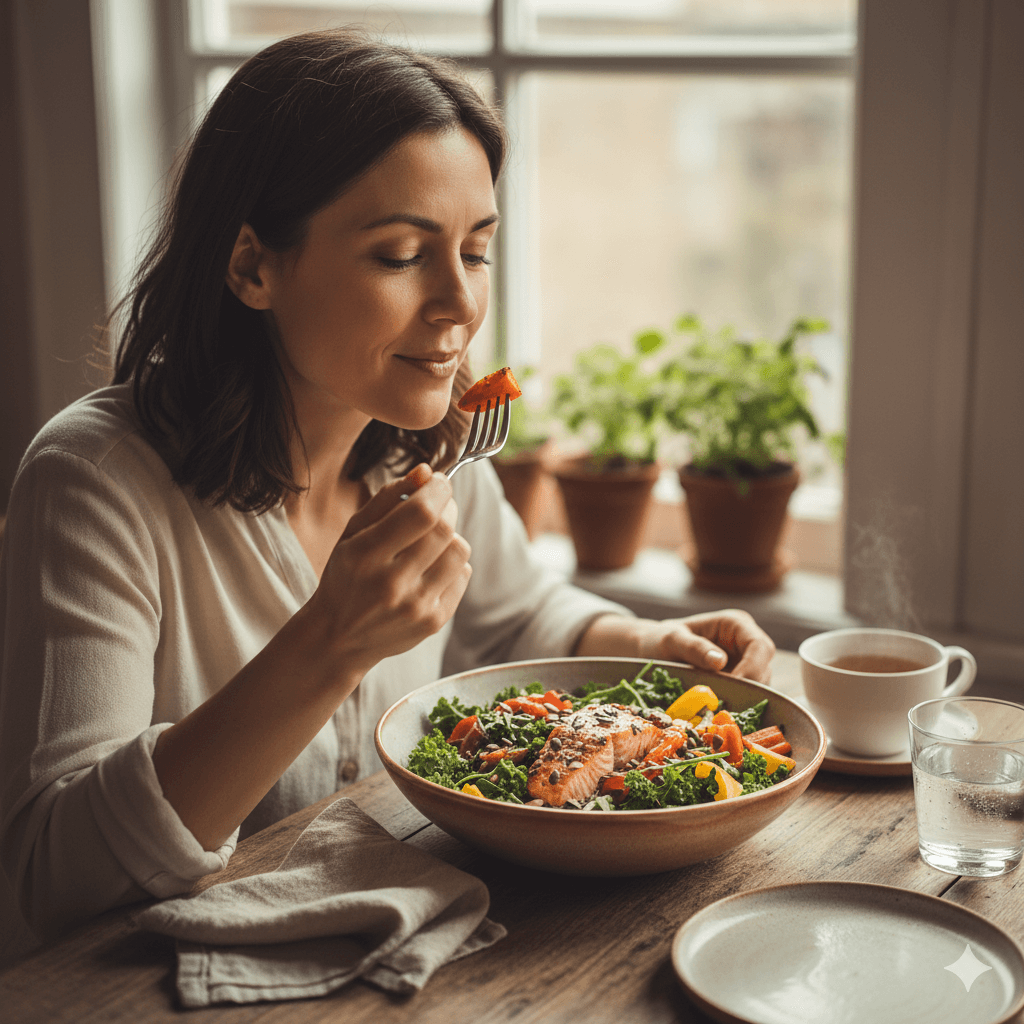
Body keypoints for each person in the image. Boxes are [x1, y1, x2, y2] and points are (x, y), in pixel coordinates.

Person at [0, 29, 774, 960]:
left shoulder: (430, 444)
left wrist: (645, 644)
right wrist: (330, 640)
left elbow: (519, 617)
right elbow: (52, 876)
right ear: (253, 266)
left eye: (475, 252)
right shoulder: (94, 481)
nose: (458, 304)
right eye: (404, 254)